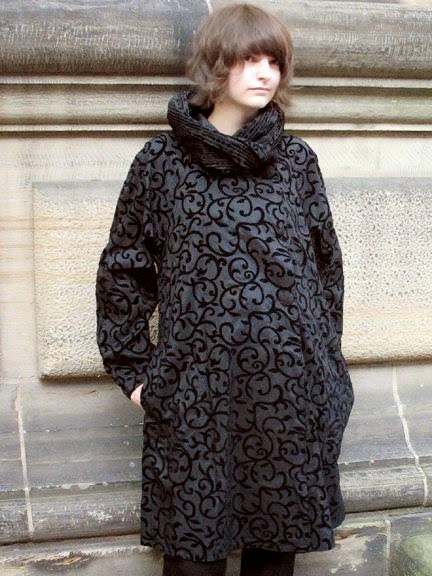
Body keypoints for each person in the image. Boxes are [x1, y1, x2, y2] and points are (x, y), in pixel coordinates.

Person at [96, 4, 354, 575]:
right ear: (217, 65)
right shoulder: (162, 163)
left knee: (274, 551)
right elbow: (124, 269)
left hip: (287, 395)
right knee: (194, 552)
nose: (265, 73)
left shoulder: (295, 161)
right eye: (250, 59)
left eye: (275, 62)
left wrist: (324, 364)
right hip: (197, 393)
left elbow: (325, 270)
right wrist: (134, 371)